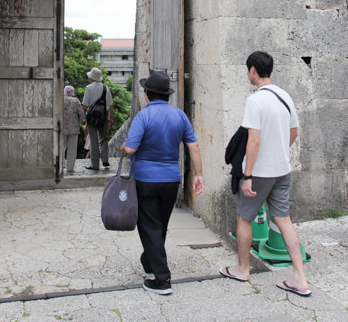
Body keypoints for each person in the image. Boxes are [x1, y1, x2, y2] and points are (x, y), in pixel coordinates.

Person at [220, 51, 311, 297]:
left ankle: (242, 269)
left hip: (259, 173)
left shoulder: (256, 100)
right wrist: (279, 151)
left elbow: (254, 140)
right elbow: (294, 132)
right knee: (283, 220)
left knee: (244, 218)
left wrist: (247, 175)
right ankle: (299, 279)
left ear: (252, 70)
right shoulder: (285, 95)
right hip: (282, 169)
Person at [121, 70, 204, 295]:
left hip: (146, 179)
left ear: (147, 94)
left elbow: (130, 148)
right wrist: (198, 175)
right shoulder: (180, 116)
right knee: (160, 224)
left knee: (149, 225)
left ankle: (162, 278)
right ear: (167, 95)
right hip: (171, 180)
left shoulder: (143, 117)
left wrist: (124, 147)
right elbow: (193, 146)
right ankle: (149, 261)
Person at [82, 68, 114, 171]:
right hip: (103, 118)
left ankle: (95, 164)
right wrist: (110, 119)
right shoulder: (105, 88)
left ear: (91, 78)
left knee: (94, 140)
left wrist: (83, 118)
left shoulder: (89, 88)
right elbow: (111, 105)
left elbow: (85, 105)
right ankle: (105, 161)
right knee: (103, 139)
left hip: (91, 119)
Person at [63, 85, 86, 174]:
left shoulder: (59, 100)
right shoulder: (76, 101)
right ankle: (70, 168)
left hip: (61, 127)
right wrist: (83, 121)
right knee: (72, 149)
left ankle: (61, 164)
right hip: (73, 128)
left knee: (61, 147)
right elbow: (81, 113)